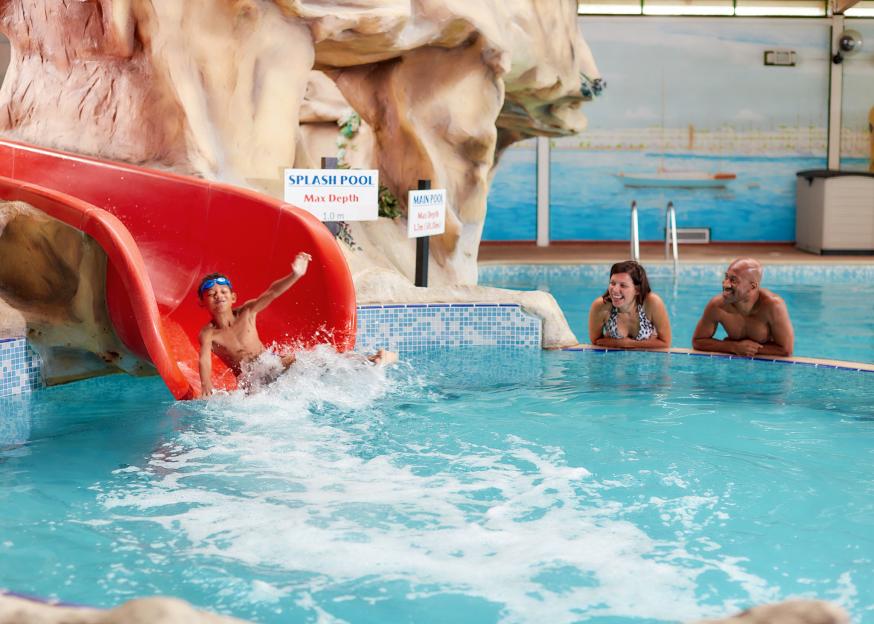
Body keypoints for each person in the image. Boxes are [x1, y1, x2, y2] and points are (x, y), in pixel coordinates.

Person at [197, 252, 396, 396]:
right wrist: (206, 385)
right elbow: (204, 359)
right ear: (202, 303)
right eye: (212, 294)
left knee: (314, 359)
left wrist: (295, 274)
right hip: (250, 382)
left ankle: (371, 359)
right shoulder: (208, 334)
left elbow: (271, 293)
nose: (218, 296)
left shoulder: (247, 312)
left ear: (233, 297)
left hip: (269, 364)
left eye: (223, 292)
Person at [692, 257, 793, 357]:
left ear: (752, 286)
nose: (725, 284)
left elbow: (786, 350)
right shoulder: (717, 306)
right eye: (726, 277)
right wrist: (733, 347)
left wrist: (746, 349)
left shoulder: (773, 306)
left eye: (733, 280)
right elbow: (698, 341)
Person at [588, 260, 671, 349]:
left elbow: (665, 342)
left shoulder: (652, 303)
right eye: (612, 283)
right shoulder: (601, 305)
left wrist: (627, 344)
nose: (614, 290)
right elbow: (596, 341)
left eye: (623, 285)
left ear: (637, 290)